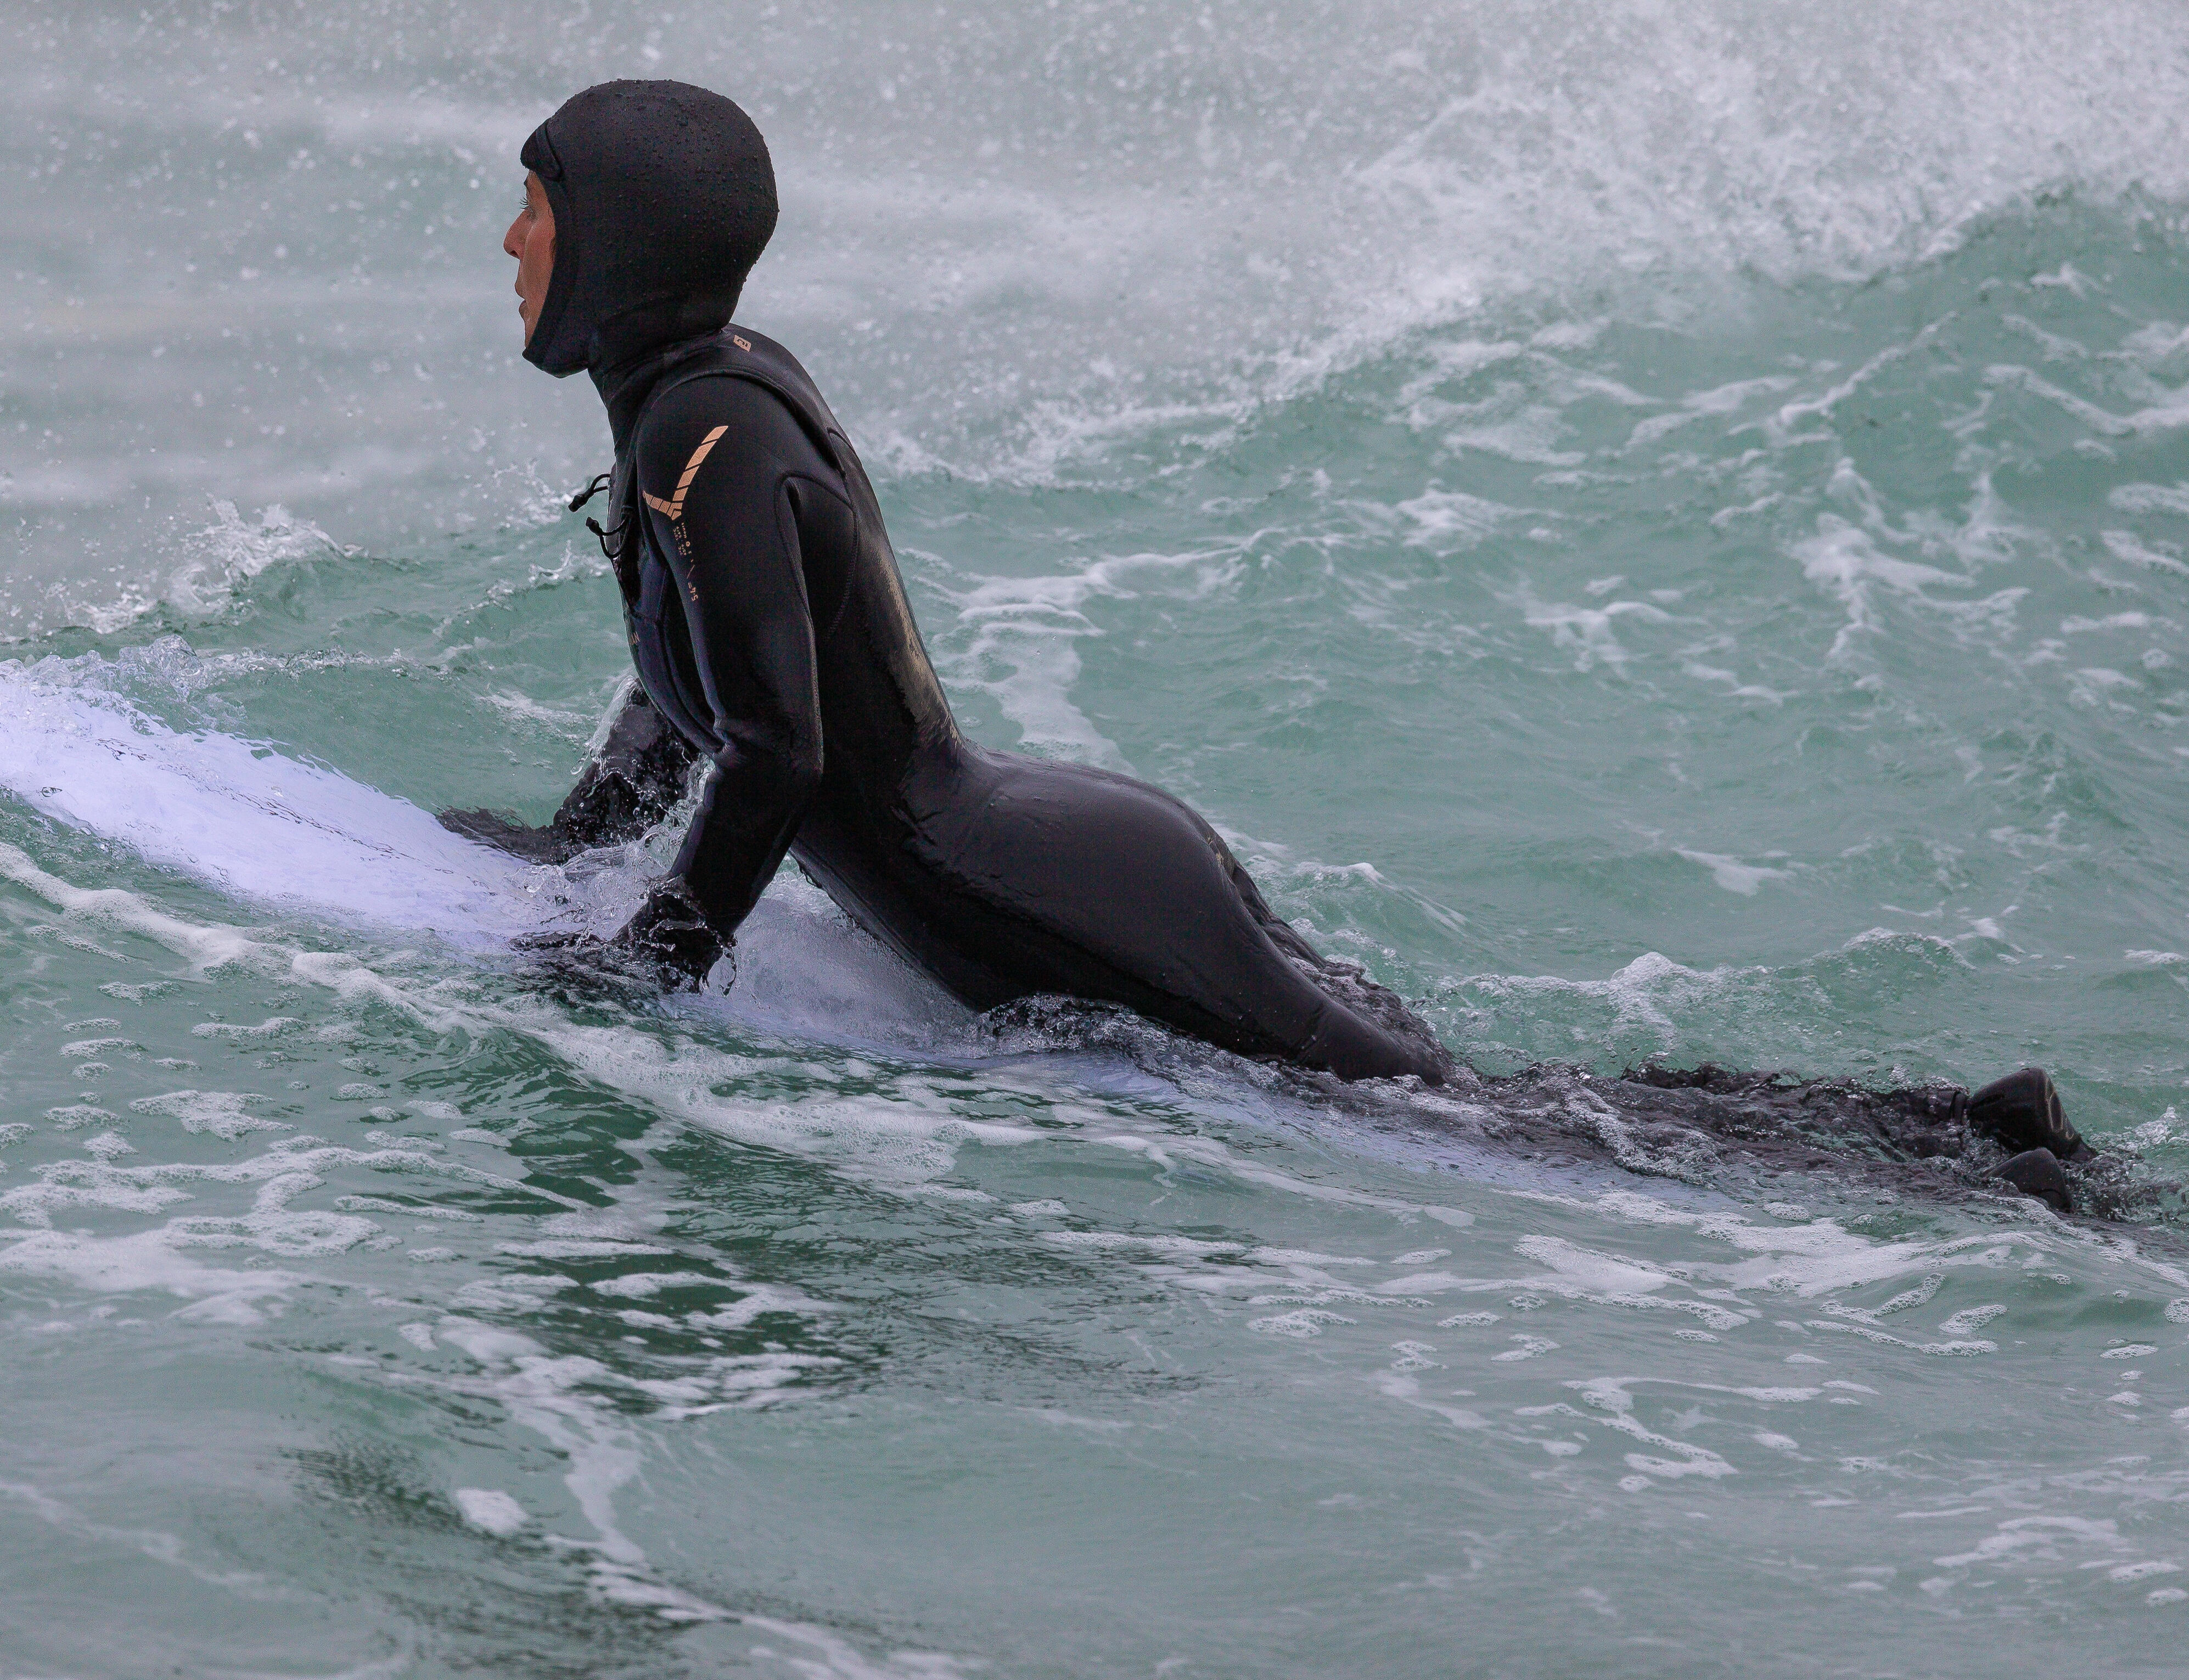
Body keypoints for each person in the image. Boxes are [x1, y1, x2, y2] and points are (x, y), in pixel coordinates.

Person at [444, 80, 2099, 1203]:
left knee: (1493, 1129)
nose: (515, 246)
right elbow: (708, 678)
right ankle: (1967, 1132)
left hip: (1045, 892)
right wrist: (578, 842)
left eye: (536, 211)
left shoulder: (701, 438)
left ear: (619, 246)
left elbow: (781, 747)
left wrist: (652, 962)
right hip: (1070, 849)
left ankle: (1967, 1162)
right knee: (1480, 1093)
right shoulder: (700, 403)